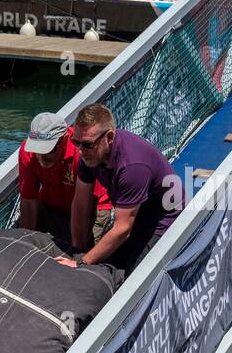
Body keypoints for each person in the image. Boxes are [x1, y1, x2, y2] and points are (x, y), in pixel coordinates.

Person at [60, 103, 182, 272]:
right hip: (131, 211)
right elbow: (80, 204)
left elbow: (122, 229)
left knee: (134, 280)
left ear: (109, 137)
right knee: (104, 264)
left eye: (87, 144)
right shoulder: (90, 155)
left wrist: (82, 262)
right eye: (76, 142)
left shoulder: (132, 166)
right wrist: (77, 251)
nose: (80, 151)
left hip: (163, 217)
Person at [18, 111, 113, 247]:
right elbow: (28, 201)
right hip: (51, 203)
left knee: (83, 254)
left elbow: (86, 206)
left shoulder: (82, 152)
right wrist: (25, 242)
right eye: (37, 150)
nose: (42, 157)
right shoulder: (27, 153)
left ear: (64, 140)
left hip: (91, 205)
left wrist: (78, 251)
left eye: (48, 150)